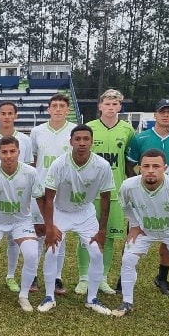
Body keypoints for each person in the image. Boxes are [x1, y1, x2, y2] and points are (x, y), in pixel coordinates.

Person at [113, 149, 169, 329]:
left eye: (156, 166)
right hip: (146, 231)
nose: (151, 170)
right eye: (146, 166)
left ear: (165, 168)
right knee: (128, 259)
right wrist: (135, 225)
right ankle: (127, 302)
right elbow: (124, 204)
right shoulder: (128, 186)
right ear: (140, 167)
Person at [38, 124, 114, 315]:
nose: (81, 143)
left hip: (85, 214)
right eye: (77, 139)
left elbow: (106, 199)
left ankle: (92, 299)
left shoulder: (102, 166)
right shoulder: (59, 164)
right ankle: (49, 297)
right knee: (52, 252)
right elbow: (48, 198)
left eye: (86, 139)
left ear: (91, 142)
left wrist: (102, 230)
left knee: (96, 253)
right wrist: (50, 226)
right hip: (60, 211)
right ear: (71, 142)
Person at [126, 99, 169, 295]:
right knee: (134, 232)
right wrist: (139, 185)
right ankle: (124, 279)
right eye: (162, 111)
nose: (165, 115)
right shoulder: (140, 138)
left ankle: (162, 277)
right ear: (154, 115)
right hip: (144, 193)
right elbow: (129, 164)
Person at [76, 89, 136, 295]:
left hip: (115, 192)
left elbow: (129, 161)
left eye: (115, 104)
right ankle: (84, 278)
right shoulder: (89, 128)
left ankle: (102, 278)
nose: (111, 108)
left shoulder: (128, 130)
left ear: (120, 106)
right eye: (107, 104)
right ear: (100, 106)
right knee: (86, 236)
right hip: (90, 193)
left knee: (109, 237)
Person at [0, 136, 43, 312]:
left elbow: (40, 199)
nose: (8, 155)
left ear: (19, 152)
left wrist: (45, 223)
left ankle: (24, 296)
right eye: (4, 152)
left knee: (31, 255)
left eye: (12, 151)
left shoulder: (31, 172)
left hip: (21, 221)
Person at [0, 101, 34, 293]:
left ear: (16, 116)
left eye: (11, 113)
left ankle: (11, 276)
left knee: (13, 240)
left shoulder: (25, 140)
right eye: (3, 113)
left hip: (17, 200)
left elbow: (28, 170)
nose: (7, 116)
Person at [30, 94, 75, 295]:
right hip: (40, 190)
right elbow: (34, 160)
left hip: (64, 190)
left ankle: (57, 277)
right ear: (48, 109)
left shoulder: (74, 131)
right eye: (54, 106)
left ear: (67, 110)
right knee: (38, 233)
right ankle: (32, 275)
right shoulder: (37, 131)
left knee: (60, 234)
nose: (58, 109)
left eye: (62, 106)